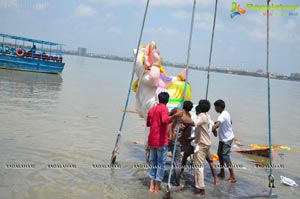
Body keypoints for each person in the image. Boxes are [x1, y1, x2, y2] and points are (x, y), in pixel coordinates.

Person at [146, 92, 182, 193]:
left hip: (152, 140)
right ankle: (157, 188)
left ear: (159, 99)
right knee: (161, 164)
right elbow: (165, 120)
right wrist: (176, 115)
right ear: (167, 101)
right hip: (161, 141)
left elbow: (148, 123)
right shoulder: (164, 108)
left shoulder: (152, 109)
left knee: (153, 163)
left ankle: (151, 187)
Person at [212, 99, 237, 183]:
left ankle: (233, 177)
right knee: (219, 154)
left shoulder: (221, 116)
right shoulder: (226, 113)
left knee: (225, 156)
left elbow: (218, 124)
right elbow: (230, 122)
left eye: (215, 107)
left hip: (227, 138)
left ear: (219, 107)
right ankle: (222, 172)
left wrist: (212, 129)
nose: (215, 109)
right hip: (223, 138)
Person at [193, 100, 212, 195]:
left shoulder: (201, 116)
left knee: (199, 166)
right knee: (198, 165)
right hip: (206, 142)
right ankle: (198, 186)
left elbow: (194, 123)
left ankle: (201, 188)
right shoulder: (207, 116)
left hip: (202, 144)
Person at [167, 108, 184, 188]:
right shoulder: (178, 124)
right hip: (175, 142)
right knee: (177, 162)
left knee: (162, 160)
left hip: (167, 141)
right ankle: (177, 182)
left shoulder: (168, 122)